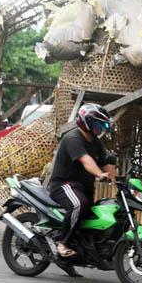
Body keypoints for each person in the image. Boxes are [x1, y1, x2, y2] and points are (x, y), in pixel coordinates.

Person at [47, 103, 115, 258]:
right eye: (98, 124)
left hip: (84, 188)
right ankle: (62, 244)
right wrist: (99, 174)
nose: (100, 128)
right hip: (64, 185)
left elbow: (106, 164)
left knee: (94, 214)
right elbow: (86, 161)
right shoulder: (73, 138)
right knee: (79, 205)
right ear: (87, 122)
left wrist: (114, 174)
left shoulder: (97, 143)